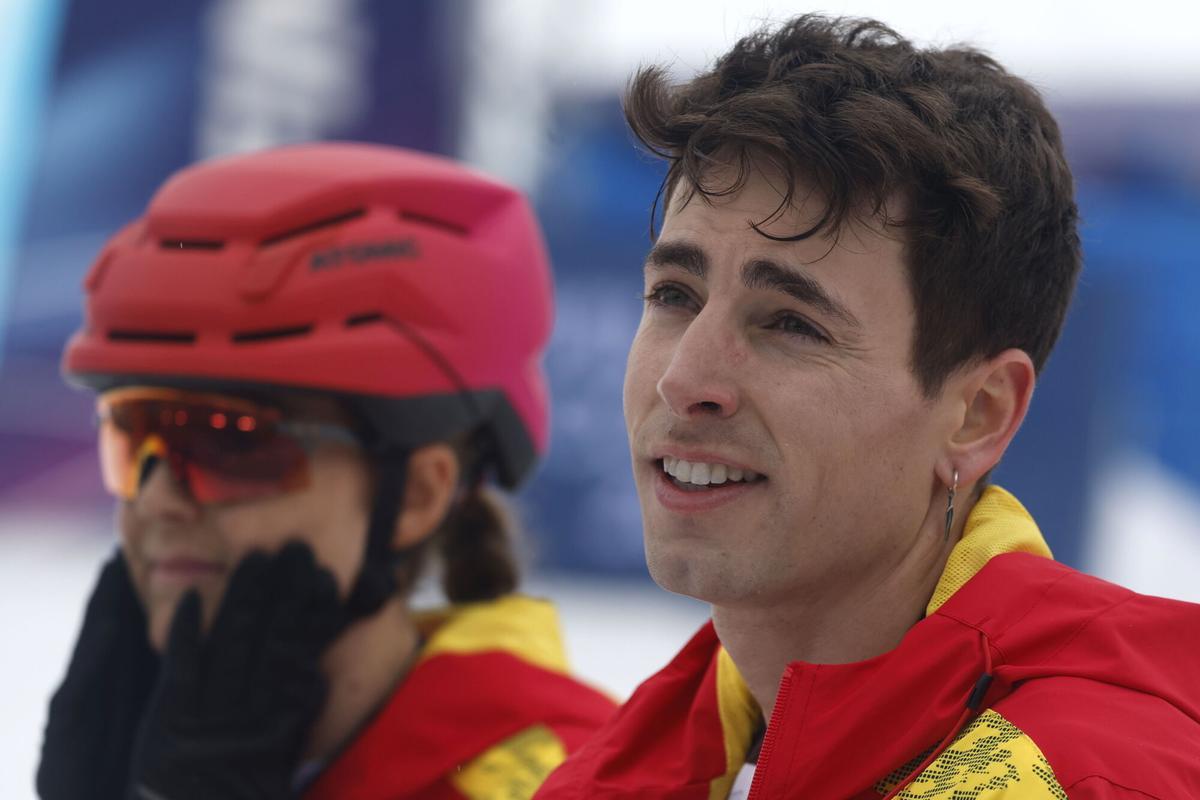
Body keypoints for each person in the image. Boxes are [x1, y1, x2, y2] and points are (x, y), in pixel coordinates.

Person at [535, 14, 1200, 799]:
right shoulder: (623, 770)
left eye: (791, 323)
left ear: (978, 415)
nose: (684, 380)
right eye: (675, 295)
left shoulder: (1079, 778)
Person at [36, 142, 615, 800]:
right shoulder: (137, 750)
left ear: (415, 496)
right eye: (135, 435)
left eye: (231, 441)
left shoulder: (557, 781)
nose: (157, 499)